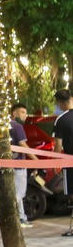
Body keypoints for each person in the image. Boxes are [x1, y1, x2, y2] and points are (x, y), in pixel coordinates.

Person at [10, 103, 38, 228]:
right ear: (14, 113)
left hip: (7, 165)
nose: (25, 115)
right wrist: (36, 160)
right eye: (22, 112)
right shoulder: (17, 126)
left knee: (16, 192)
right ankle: (6, 214)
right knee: (19, 193)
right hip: (19, 165)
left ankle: (21, 218)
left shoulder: (4, 126)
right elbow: (23, 145)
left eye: (25, 112)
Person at [52, 90, 73, 236]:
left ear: (59, 102)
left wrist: (55, 163)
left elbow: (58, 146)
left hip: (70, 162)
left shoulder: (61, 120)